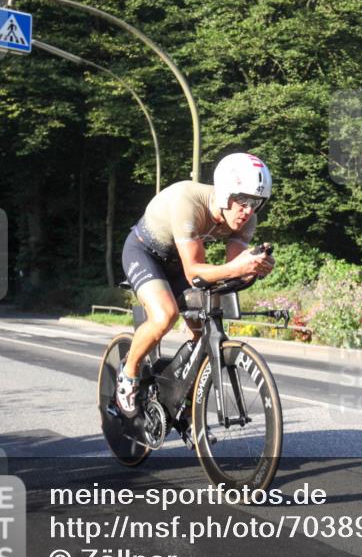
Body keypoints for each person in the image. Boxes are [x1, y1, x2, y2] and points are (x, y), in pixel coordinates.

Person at [114, 152, 275, 417]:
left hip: (179, 262)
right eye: (243, 200)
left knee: (203, 335)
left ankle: (185, 402)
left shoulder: (248, 219)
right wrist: (239, 267)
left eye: (256, 203)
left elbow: (233, 272)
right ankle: (128, 374)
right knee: (165, 315)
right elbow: (194, 272)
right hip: (144, 253)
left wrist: (255, 268)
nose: (248, 210)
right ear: (225, 194)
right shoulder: (188, 202)